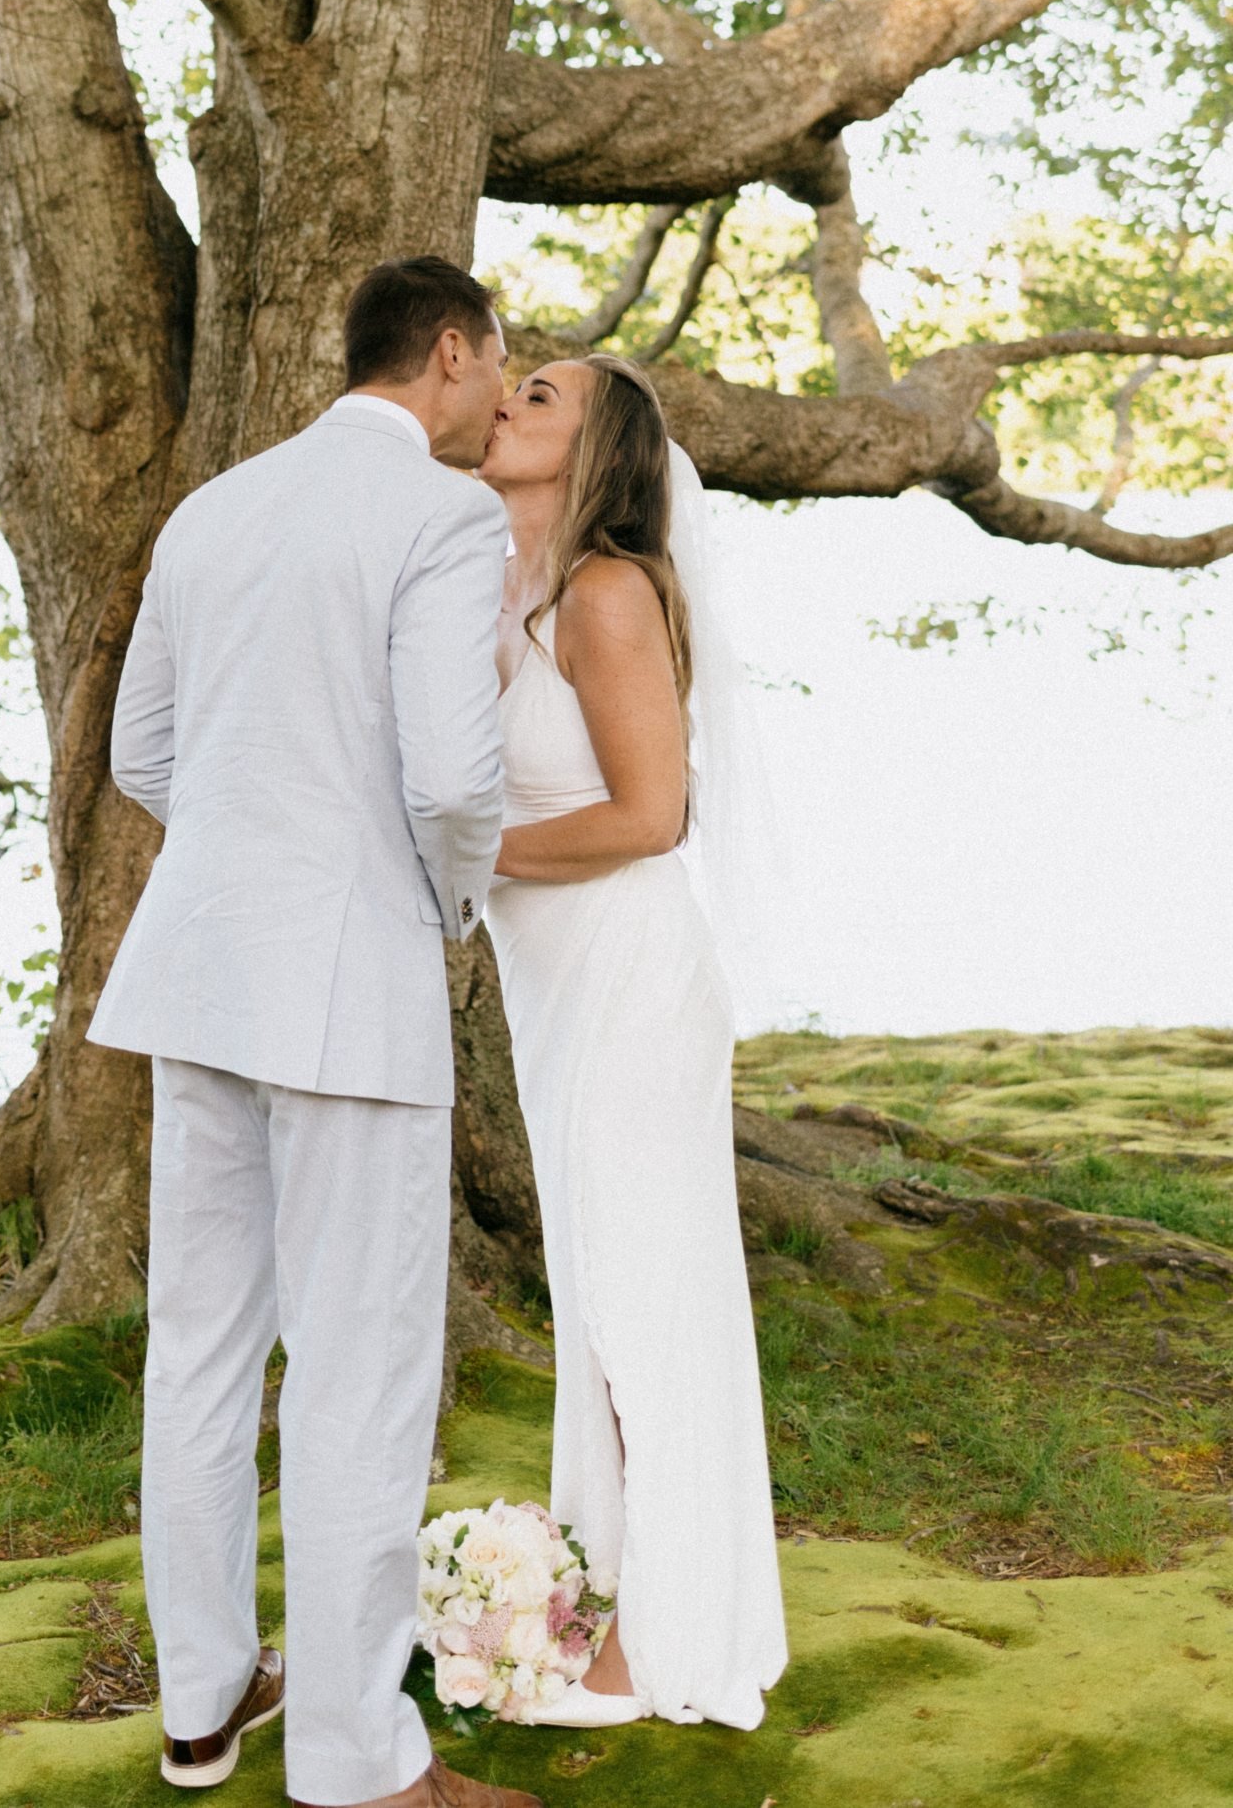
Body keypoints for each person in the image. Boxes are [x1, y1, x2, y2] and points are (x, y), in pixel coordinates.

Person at [91, 257, 545, 1808]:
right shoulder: (442, 513)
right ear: (447, 353)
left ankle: (204, 1709)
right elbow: (451, 778)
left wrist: (250, 846)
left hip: (199, 974)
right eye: (500, 367)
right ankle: (360, 1762)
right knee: (360, 1370)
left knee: (200, 1351)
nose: (504, 396)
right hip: (349, 982)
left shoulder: (213, 508)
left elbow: (141, 747)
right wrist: (444, 905)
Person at [479, 352, 787, 1733]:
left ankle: (660, 1643)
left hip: (628, 979)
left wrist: (464, 854)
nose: (505, 400)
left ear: (598, 450)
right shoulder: (503, 588)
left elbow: (651, 814)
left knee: (642, 1300)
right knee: (602, 1291)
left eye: (538, 394)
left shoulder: (604, 592)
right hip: (554, 988)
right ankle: (609, 1592)